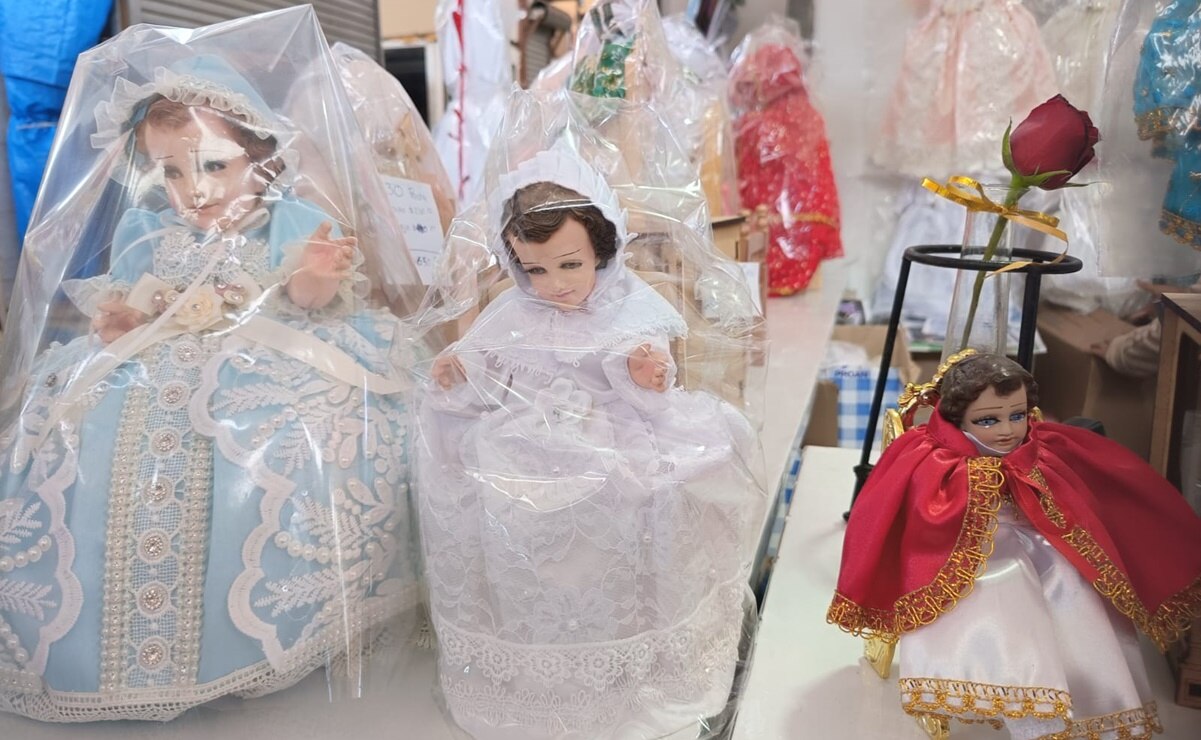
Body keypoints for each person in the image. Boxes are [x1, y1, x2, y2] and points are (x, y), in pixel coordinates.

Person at [0, 51, 417, 721]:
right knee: (89, 429)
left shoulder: (286, 217)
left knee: (272, 434)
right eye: (170, 171)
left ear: (257, 154)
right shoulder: (147, 228)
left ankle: (240, 629)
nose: (193, 189)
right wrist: (123, 317)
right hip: (160, 354)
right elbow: (136, 300)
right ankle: (96, 629)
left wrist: (315, 273)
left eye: (213, 165)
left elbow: (309, 301)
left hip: (265, 352)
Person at [417, 148, 765, 739]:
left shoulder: (629, 304)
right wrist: (462, 371)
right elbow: (490, 367)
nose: (551, 285)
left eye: (568, 265)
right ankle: (537, 673)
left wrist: (642, 371)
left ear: (603, 249)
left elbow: (645, 373)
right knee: (492, 489)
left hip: (613, 438)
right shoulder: (512, 310)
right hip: (523, 442)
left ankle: (632, 672)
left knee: (635, 498)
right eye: (533, 269)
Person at [829, 351, 1201, 739]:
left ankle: (1086, 691)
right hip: (964, 557)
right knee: (1008, 587)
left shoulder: (1041, 446)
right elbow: (913, 517)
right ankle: (1021, 698)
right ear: (958, 418)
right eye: (988, 420)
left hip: (1038, 539)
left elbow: (1074, 496)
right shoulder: (933, 457)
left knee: (1072, 582)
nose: (1007, 430)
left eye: (1017, 415)